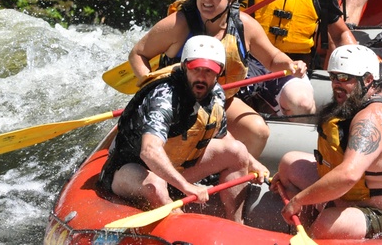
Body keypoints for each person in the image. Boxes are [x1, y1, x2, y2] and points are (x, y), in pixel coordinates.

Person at [128, 0, 309, 157]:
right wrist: (152, 88)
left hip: (221, 99)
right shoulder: (178, 24)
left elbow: (272, 59)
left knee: (258, 131)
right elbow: (138, 54)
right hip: (177, 99)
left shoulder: (245, 26)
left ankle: (229, 176)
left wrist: (291, 64)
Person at [99, 36, 269, 222]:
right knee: (155, 185)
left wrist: (253, 164)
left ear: (218, 72)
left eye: (209, 71)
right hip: (130, 170)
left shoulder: (216, 94)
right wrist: (187, 186)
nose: (201, 77)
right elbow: (149, 151)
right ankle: (179, 228)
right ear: (184, 66)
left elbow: (222, 135)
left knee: (237, 151)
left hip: (176, 166)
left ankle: (235, 225)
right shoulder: (164, 97)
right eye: (196, 69)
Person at [270, 45, 382, 239]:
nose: (336, 84)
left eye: (345, 78)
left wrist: (298, 200)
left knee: (328, 222)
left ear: (368, 79)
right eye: (333, 77)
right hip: (360, 197)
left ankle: (315, 235)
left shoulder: (371, 118)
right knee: (290, 163)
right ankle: (303, 232)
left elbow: (348, 175)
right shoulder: (358, 102)